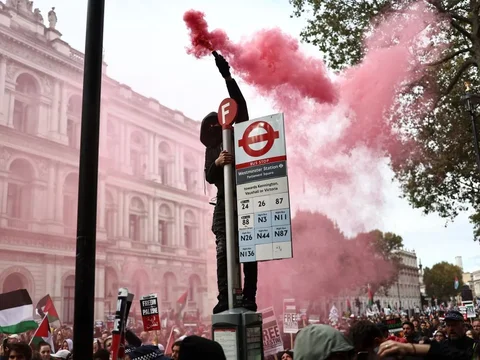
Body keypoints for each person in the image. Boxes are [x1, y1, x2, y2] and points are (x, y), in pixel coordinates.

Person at [201, 52, 258, 314]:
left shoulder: (239, 135)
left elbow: (241, 106)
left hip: (245, 201)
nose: (216, 127)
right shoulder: (212, 148)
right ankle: (224, 297)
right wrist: (218, 163)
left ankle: (249, 296)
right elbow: (208, 176)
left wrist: (227, 76)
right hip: (223, 205)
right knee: (223, 252)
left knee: (249, 250)